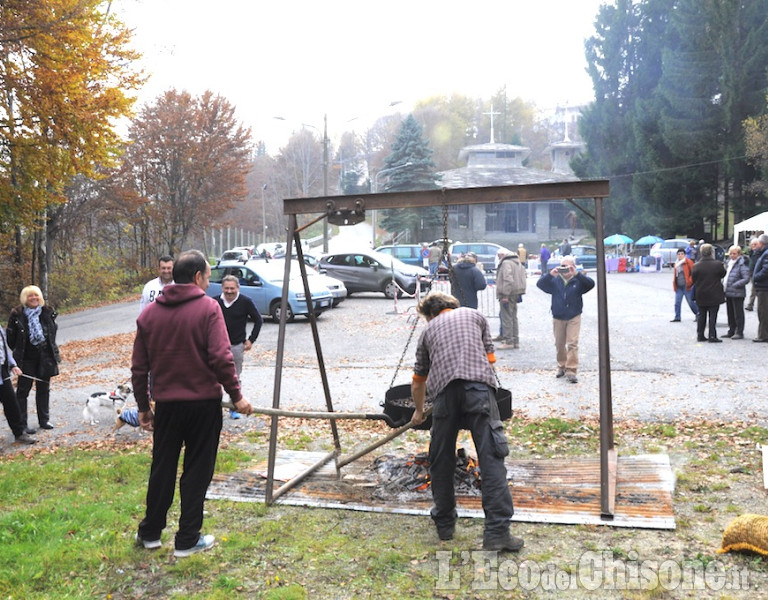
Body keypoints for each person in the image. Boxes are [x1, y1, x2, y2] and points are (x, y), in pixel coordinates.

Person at [132, 249, 253, 558]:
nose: (209, 282)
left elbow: (139, 368)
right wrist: (236, 396)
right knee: (197, 470)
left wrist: (144, 407)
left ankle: (150, 533)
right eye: (208, 276)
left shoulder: (148, 314)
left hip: (168, 407)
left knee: (162, 467)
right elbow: (221, 357)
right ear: (198, 277)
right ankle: (187, 539)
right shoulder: (208, 308)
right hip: (202, 406)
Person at [409, 291, 522, 553]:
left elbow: (418, 381)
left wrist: (417, 411)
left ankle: (445, 526)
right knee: (491, 458)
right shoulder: (475, 315)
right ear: (452, 306)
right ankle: (496, 533)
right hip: (479, 393)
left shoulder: (427, 332)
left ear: (430, 314)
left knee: (441, 460)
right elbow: (490, 360)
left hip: (444, 398)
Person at [6, 285, 61, 433]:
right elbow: (10, 340)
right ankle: (22, 424)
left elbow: (52, 334)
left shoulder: (47, 312)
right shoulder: (17, 315)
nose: (34, 298)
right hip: (25, 358)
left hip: (45, 356)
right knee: (23, 391)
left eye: (36, 295)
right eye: (30, 296)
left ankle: (44, 420)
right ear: (25, 298)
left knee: (44, 388)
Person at [537, 256, 595, 384]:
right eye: (563, 266)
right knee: (559, 344)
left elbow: (591, 284)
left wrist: (577, 274)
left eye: (568, 267)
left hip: (574, 315)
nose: (565, 270)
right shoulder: (555, 280)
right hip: (558, 316)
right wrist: (550, 274)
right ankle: (561, 366)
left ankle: (571, 370)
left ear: (573, 267)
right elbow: (540, 284)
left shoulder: (578, 280)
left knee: (572, 343)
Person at [215, 275, 263, 419]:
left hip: (236, 345)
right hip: (216, 346)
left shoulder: (245, 302)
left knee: (235, 376)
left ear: (238, 288)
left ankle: (234, 406)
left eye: (232, 288)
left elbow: (258, 320)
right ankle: (215, 406)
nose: (229, 291)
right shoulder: (214, 301)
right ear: (222, 288)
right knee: (213, 376)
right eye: (226, 288)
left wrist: (251, 340)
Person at [0, 326, 36, 445]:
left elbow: (3, 349)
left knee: (11, 403)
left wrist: (12, 365)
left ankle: (20, 433)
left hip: (2, 371)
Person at [691, 243, 726, 343]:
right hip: (714, 293)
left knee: (701, 315)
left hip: (701, 293)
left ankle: (700, 334)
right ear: (711, 252)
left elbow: (693, 279)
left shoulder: (696, 266)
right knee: (713, 316)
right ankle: (712, 335)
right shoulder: (718, 264)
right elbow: (723, 274)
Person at [495, 250, 526, 349]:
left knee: (506, 317)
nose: (498, 257)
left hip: (508, 293)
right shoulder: (517, 262)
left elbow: (507, 279)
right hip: (516, 292)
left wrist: (505, 295)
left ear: (502, 255)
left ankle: (508, 341)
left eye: (499, 255)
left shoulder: (506, 263)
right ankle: (515, 341)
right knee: (513, 317)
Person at [722, 245, 751, 340]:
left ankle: (739, 331)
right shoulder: (728, 262)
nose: (732, 255)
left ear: (739, 254)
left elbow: (746, 278)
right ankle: (731, 330)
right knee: (730, 312)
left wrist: (735, 285)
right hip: (728, 291)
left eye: (734, 253)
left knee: (738, 313)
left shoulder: (742, 264)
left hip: (737, 292)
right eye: (730, 253)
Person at [670, 248, 698, 323]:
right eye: (678, 254)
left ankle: (698, 314)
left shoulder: (688, 262)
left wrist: (690, 281)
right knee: (677, 302)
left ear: (685, 255)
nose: (680, 256)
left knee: (691, 302)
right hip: (678, 286)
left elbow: (693, 273)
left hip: (687, 286)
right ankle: (677, 316)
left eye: (682, 254)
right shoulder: (676, 264)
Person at [750, 234, 768, 342]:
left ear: (761, 243)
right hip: (763, 286)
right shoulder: (763, 253)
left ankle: (763, 335)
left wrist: (755, 277)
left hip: (764, 287)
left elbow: (766, 270)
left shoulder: (766, 254)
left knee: (763, 311)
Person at [746, 237, 761, 311]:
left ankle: (751, 305)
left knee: (755, 290)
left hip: (757, 273)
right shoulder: (753, 252)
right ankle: (751, 304)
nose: (753, 246)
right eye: (752, 244)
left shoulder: (760, 253)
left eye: (755, 244)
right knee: (754, 290)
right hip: (752, 272)